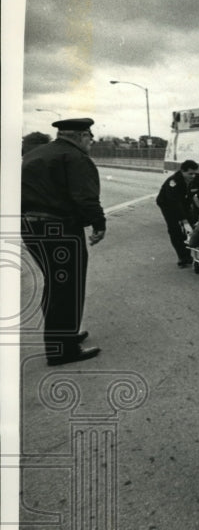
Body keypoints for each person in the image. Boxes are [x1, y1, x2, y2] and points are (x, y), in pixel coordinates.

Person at [21, 117, 105, 365]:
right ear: (81, 136)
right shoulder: (76, 158)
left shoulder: (37, 154)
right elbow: (86, 196)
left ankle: (64, 337)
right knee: (67, 288)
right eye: (90, 137)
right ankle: (62, 350)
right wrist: (99, 224)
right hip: (60, 229)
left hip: (31, 228)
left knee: (55, 284)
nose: (91, 142)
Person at [156, 159, 199, 267]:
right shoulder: (173, 181)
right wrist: (183, 220)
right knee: (175, 229)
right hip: (168, 204)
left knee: (192, 226)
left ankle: (190, 250)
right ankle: (183, 257)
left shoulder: (198, 178)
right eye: (190, 173)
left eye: (195, 173)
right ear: (182, 171)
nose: (193, 176)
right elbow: (175, 203)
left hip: (185, 202)